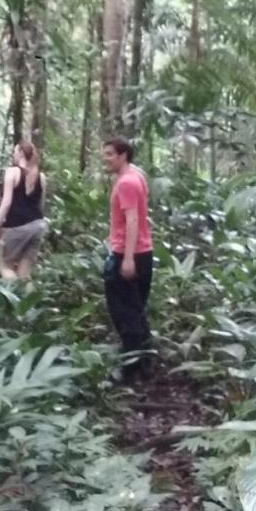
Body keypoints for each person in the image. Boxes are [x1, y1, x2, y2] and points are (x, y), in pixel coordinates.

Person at [101, 136, 154, 381]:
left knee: (124, 313)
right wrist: (113, 236)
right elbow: (132, 218)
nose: (106, 159)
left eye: (110, 154)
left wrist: (128, 258)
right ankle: (144, 360)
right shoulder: (136, 176)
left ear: (123, 155)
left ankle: (130, 370)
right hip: (138, 250)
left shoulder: (127, 183)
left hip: (129, 255)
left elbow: (133, 220)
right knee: (135, 310)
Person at [0, 142, 48, 280]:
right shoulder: (41, 176)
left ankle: (12, 299)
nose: (13, 154)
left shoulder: (12, 172)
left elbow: (6, 202)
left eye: (15, 151)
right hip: (37, 225)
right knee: (25, 273)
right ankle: (30, 301)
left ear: (21, 153)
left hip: (16, 226)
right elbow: (41, 204)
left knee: (5, 267)